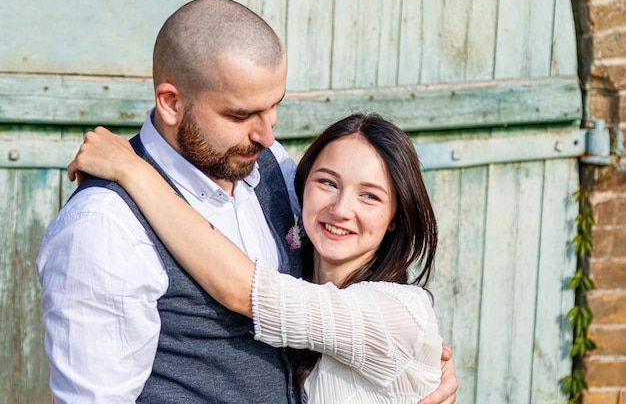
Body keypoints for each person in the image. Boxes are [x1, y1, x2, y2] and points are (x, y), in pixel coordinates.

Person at [36, 0, 457, 404]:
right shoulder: (104, 225)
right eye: (239, 115)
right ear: (171, 103)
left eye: (273, 108)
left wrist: (413, 360)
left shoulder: (270, 165)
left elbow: (256, 293)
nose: (266, 135)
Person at [68, 112, 444, 403]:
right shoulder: (301, 272)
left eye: (370, 196)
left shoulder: (401, 314)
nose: (341, 208)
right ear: (302, 188)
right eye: (327, 182)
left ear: (396, 217)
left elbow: (241, 288)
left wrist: (131, 169)